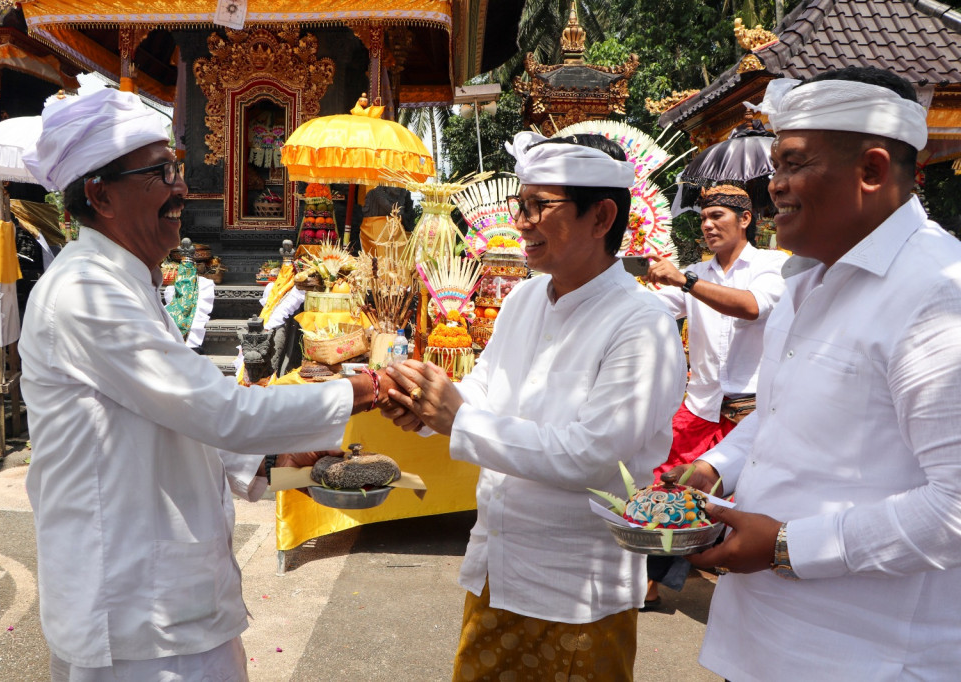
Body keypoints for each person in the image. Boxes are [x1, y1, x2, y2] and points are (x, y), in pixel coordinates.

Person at [18, 88, 394, 681]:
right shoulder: (84, 295)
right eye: (160, 172)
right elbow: (218, 410)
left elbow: (184, 418)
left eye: (178, 169)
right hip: (135, 613)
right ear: (99, 193)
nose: (180, 188)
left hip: (174, 600)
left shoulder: (132, 286)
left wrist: (274, 464)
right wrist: (367, 389)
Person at [675, 66, 961, 679]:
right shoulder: (808, 279)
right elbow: (780, 414)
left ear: (872, 170)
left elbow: (954, 508)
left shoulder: (938, 293)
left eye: (793, 164)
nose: (773, 187)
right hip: (761, 640)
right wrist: (714, 468)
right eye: (775, 166)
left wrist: (785, 545)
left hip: (863, 657)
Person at [382, 131, 686, 681]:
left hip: (574, 588)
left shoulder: (642, 324)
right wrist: (426, 409)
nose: (520, 221)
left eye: (538, 206)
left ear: (601, 218)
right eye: (519, 205)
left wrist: (458, 418)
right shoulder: (524, 298)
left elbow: (592, 457)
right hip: (499, 566)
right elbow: (486, 391)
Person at [640, 184, 787, 608]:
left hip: (753, 410)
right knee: (666, 488)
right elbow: (650, 310)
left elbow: (752, 307)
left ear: (745, 220)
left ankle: (746, 587)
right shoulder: (696, 272)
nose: (707, 225)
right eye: (703, 218)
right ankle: (650, 583)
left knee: (751, 500)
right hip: (701, 407)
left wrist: (684, 281)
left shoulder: (771, 265)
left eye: (717, 216)